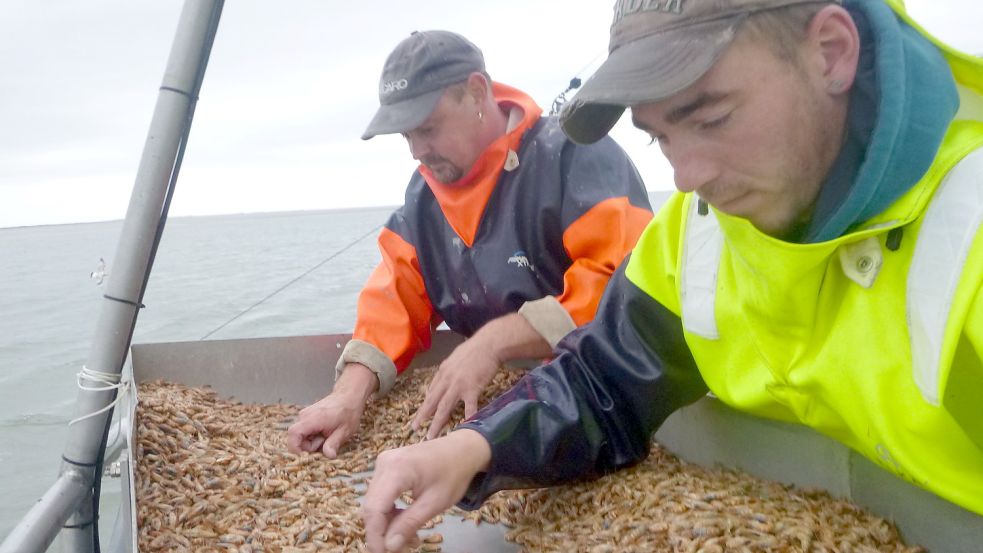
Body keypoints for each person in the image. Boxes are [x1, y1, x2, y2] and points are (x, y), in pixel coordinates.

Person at [361, 1, 983, 551]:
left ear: (830, 52)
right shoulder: (698, 229)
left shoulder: (968, 231)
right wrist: (472, 449)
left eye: (711, 118)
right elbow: (602, 378)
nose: (686, 177)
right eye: (660, 137)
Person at [287, 31, 653, 457]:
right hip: (487, 408)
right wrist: (348, 394)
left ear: (477, 92)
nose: (417, 151)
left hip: (605, 393)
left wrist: (491, 343)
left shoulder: (575, 153)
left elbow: (623, 281)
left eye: (427, 128)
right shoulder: (423, 199)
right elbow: (394, 302)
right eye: (406, 135)